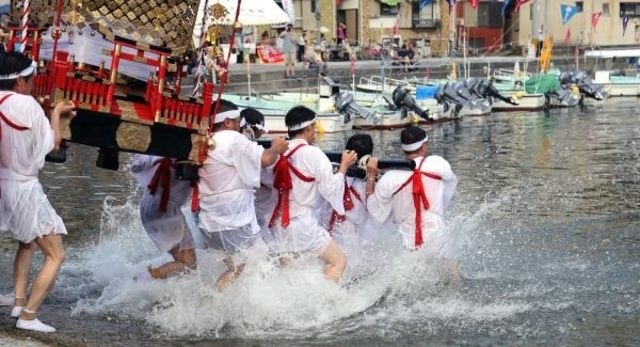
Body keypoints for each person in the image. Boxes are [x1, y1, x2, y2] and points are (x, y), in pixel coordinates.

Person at [0, 51, 75, 332]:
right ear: (20, 81)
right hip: (23, 187)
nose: (33, 85)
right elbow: (53, 143)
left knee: (27, 242)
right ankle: (28, 316)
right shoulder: (27, 104)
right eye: (31, 81)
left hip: (3, 184)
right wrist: (55, 113)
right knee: (56, 255)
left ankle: (19, 300)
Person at [198, 101, 287, 291]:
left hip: (209, 221)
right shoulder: (232, 138)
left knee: (237, 268)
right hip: (233, 220)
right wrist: (276, 147)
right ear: (228, 122)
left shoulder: (205, 140)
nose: (241, 126)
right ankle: (262, 307)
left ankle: (212, 302)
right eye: (238, 121)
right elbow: (265, 160)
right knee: (264, 261)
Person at [268, 106, 357, 282]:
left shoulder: (275, 153)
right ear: (307, 129)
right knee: (338, 261)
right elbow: (330, 189)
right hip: (303, 224)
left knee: (291, 275)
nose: (315, 132)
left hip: (278, 226)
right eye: (314, 128)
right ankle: (323, 302)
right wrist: (344, 166)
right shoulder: (313, 153)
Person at [366, 126, 459, 273]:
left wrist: (371, 176)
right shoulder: (438, 164)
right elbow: (450, 185)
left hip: (408, 237)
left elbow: (375, 211)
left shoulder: (390, 178)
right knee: (446, 269)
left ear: (404, 150)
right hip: (435, 230)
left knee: (413, 274)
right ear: (423, 147)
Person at [129, 154, 197, 280]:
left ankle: (156, 287)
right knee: (188, 264)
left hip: (148, 206)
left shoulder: (154, 150)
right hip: (165, 211)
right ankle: (143, 280)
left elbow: (135, 168)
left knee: (185, 261)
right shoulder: (188, 152)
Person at [324, 134, 373, 268]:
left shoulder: (332, 174)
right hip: (350, 234)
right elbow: (373, 208)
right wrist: (372, 176)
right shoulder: (365, 185)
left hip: (327, 231)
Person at [239, 107, 276, 252]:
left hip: (243, 212)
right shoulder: (249, 149)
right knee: (271, 254)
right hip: (253, 214)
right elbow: (272, 181)